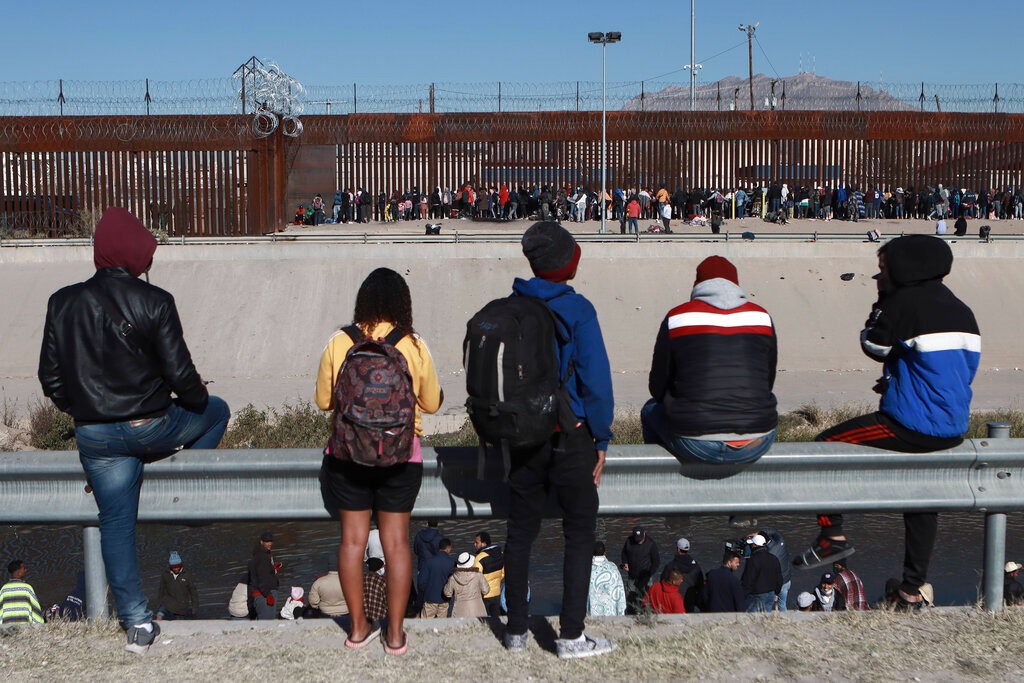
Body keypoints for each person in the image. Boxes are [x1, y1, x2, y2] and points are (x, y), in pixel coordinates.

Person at [37, 206, 230, 653]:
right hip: (151, 427)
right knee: (217, 410)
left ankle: (137, 624)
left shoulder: (61, 302)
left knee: (116, 528)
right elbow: (185, 380)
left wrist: (83, 411)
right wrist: (196, 399)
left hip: (96, 438)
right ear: (135, 251)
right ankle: (191, 501)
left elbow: (51, 380)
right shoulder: (155, 301)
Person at [796, 235, 980, 612]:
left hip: (910, 423)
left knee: (823, 446)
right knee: (922, 501)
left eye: (882, 269)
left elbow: (874, 345)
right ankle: (911, 589)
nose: (879, 275)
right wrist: (901, 376)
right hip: (953, 427)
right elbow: (949, 368)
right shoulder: (962, 309)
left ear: (902, 269)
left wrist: (881, 305)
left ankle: (832, 534)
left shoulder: (902, 302)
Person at [501, 221, 616, 659]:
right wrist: (602, 438)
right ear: (568, 263)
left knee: (520, 532)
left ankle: (515, 632)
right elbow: (597, 383)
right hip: (571, 436)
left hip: (524, 437)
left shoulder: (512, 305)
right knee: (580, 531)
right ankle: (570, 637)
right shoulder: (579, 310)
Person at [316, 267, 443, 655]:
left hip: (347, 456)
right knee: (397, 545)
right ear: (402, 303)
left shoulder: (341, 341)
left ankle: (357, 630)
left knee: (353, 542)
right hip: (402, 457)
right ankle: (395, 635)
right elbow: (433, 404)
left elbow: (324, 401)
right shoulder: (413, 343)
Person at [642, 255, 777, 466]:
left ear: (697, 284)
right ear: (736, 284)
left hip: (696, 443)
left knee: (650, 410)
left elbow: (657, 386)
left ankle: (659, 481)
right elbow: (768, 381)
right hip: (758, 439)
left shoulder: (677, 318)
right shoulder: (762, 317)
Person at [660, 537, 705, 613]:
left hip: (674, 599)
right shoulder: (696, 566)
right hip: (690, 598)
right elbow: (700, 585)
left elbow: (663, 583)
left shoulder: (670, 566)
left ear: (678, 549)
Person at [621, 526, 660, 610]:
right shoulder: (629, 541)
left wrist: (649, 574)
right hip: (632, 576)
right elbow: (624, 553)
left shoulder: (651, 544)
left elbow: (656, 562)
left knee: (647, 601)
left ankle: (647, 615)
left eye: (641, 539)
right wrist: (625, 562)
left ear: (644, 534)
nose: (639, 541)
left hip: (646, 578)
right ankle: (631, 615)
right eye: (637, 539)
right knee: (631, 600)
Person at [741, 534, 782, 612]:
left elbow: (748, 580)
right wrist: (776, 592)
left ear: (755, 545)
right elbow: (779, 578)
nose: (750, 546)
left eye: (751, 544)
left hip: (757, 595)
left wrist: (743, 595)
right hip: (771, 594)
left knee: (752, 618)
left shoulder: (753, 560)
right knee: (766, 618)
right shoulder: (774, 558)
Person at [155, 551, 199, 620]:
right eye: (173, 567)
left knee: (179, 623)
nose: (176, 568)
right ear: (170, 566)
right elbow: (161, 590)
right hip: (167, 603)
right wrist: (159, 604)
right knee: (159, 615)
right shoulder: (166, 574)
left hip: (181, 606)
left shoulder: (187, 575)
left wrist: (194, 608)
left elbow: (193, 592)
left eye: (178, 566)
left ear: (181, 565)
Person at [418, 538, 455, 618]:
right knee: (441, 625)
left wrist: (426, 593)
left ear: (439, 548)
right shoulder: (451, 562)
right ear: (448, 548)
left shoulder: (428, 562)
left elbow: (421, 582)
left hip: (430, 598)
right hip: (445, 599)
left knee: (426, 625)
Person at [444, 552, 490, 617]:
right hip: (477, 608)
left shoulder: (453, 578)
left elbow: (447, 594)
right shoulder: (478, 575)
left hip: (459, 610)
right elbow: (486, 590)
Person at [248, 531, 281, 620]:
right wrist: (268, 595)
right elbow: (261, 578)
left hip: (265, 592)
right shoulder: (261, 556)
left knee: (266, 622)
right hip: (264, 595)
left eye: (270, 541)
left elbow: (264, 572)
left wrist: (273, 569)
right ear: (261, 542)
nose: (269, 543)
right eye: (267, 541)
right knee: (266, 623)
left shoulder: (265, 553)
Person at [587, 541, 626, 617]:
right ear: (605, 553)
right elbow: (619, 589)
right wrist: (621, 612)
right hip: (610, 612)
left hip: (592, 612)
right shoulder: (612, 567)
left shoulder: (586, 569)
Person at [0, 560, 44, 625]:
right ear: (18, 572)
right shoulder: (27, 588)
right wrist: (40, 623)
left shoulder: (4, 589)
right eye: (24, 568)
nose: (25, 570)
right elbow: (35, 610)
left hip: (7, 628)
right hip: (25, 628)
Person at [758, 529, 792, 611]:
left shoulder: (767, 554)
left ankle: (767, 620)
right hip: (786, 581)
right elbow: (775, 532)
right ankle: (784, 621)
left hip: (775, 584)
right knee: (782, 604)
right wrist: (762, 532)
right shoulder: (781, 542)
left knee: (768, 604)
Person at [473, 531, 505, 618]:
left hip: (484, 595)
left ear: (483, 543)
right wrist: (496, 580)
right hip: (497, 592)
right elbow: (503, 573)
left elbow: (476, 577)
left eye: (477, 542)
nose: (474, 544)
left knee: (484, 619)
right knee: (496, 617)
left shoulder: (480, 557)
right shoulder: (501, 554)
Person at [362, 557, 388, 623]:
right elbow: (387, 602)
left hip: (363, 617)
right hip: (380, 617)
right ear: (378, 569)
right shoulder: (382, 581)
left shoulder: (360, 579)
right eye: (382, 567)